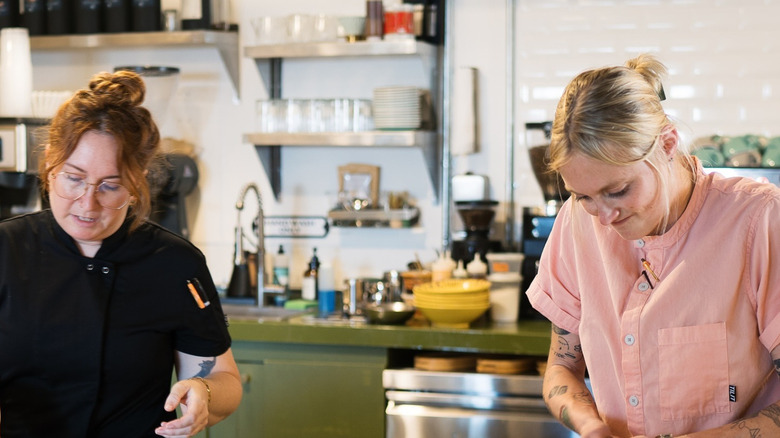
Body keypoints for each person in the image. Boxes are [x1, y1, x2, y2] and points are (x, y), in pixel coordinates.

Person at [526, 54, 780, 438]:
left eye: (618, 190)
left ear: (667, 144)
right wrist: (591, 427)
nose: (603, 217)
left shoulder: (758, 219)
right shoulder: (576, 223)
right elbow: (561, 369)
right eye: (584, 196)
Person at [0, 70, 242, 437]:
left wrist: (204, 392)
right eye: (74, 178)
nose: (88, 203)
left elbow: (224, 379)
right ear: (49, 165)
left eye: (110, 186)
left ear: (136, 182)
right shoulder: (7, 250)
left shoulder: (175, 264)